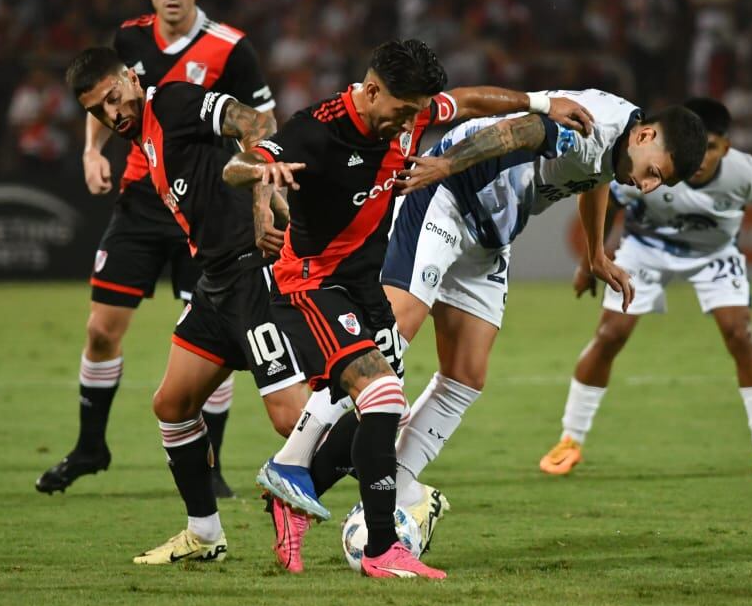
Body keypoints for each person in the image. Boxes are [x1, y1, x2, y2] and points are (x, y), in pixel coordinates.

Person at [263, 89, 707, 570]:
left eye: (657, 184)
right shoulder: (593, 127)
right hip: (447, 197)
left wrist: (596, 251)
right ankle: (292, 462)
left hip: (490, 234)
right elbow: (519, 130)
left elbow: (595, 177)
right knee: (382, 350)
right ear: (644, 135)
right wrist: (445, 165)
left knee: (466, 376)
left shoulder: (620, 142)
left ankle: (392, 491)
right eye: (654, 173)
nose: (645, 186)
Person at [223, 40, 596, 578]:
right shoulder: (317, 129)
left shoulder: (409, 114)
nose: (410, 121)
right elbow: (240, 163)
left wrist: (539, 103)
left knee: (379, 413)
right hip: (310, 284)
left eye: (417, 112)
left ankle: (291, 485)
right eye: (402, 111)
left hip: (364, 288)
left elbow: (465, 102)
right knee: (382, 393)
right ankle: (381, 548)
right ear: (372, 90)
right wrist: (261, 174)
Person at [37, 0, 276, 498]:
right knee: (101, 328)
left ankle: (210, 463)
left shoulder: (231, 48)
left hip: (209, 208)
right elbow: (100, 101)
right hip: (144, 201)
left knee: (208, 332)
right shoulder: (128, 40)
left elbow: (261, 118)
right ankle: (91, 447)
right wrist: (91, 150)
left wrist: (254, 180)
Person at [66, 46, 309, 564]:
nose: (112, 113)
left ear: (132, 78)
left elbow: (256, 121)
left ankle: (400, 490)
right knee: (172, 406)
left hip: (254, 274)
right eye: (98, 111)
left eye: (114, 97)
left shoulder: (173, 103)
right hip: (216, 282)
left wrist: (264, 198)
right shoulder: (146, 139)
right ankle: (204, 533)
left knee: (292, 419)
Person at [539, 97, 752, 477]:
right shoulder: (656, 161)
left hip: (713, 253)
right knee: (610, 334)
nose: (699, 160)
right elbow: (606, 197)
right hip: (646, 248)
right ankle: (570, 440)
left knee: (739, 333)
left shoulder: (746, 173)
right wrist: (589, 263)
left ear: (726, 148)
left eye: (711, 149)